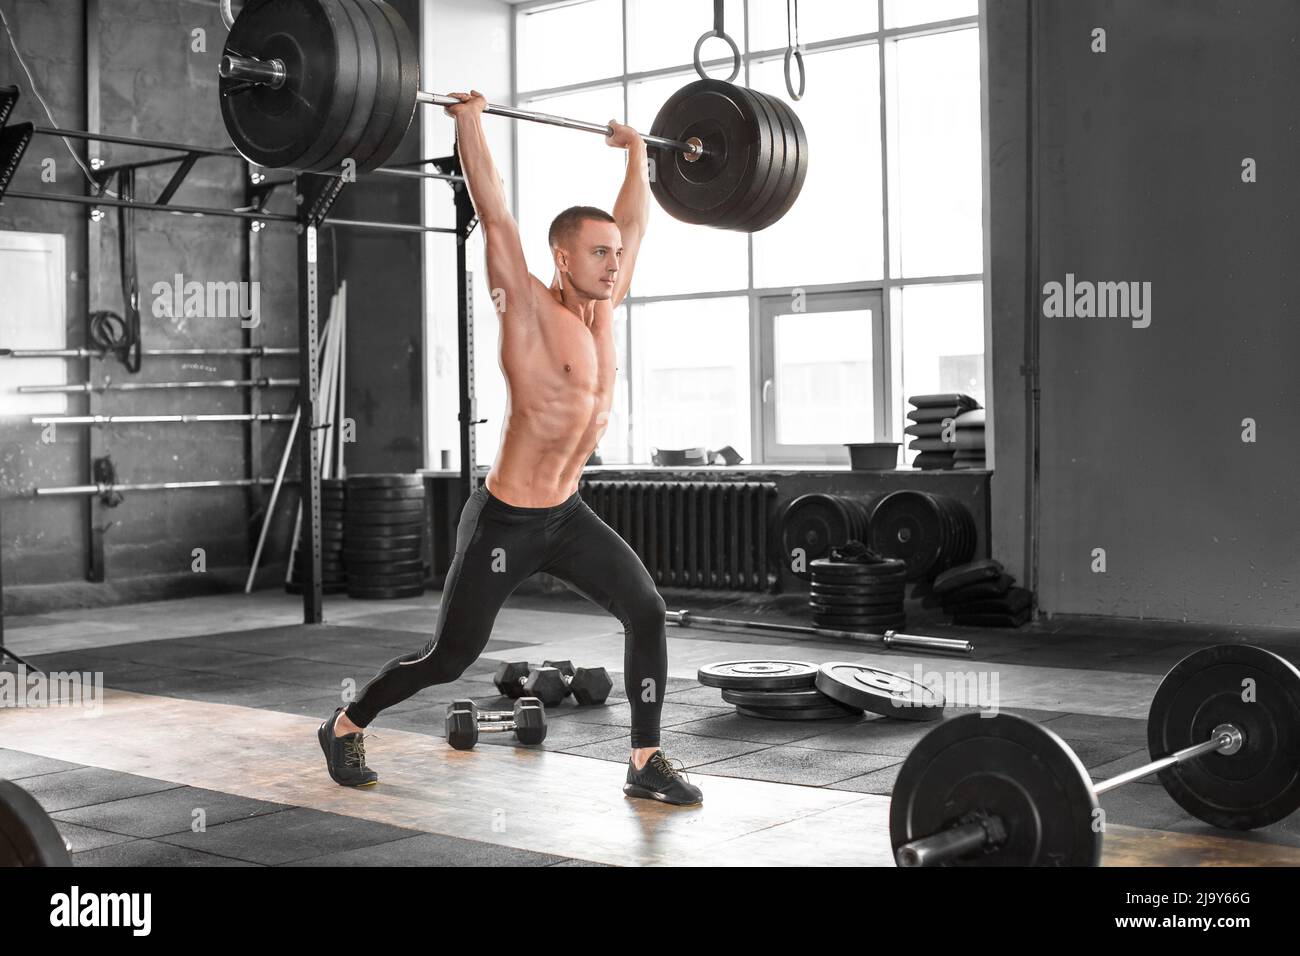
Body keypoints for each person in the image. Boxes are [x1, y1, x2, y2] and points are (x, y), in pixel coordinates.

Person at [319, 91, 702, 807]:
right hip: (504, 521)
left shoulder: (605, 309)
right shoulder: (525, 306)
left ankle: (644, 758)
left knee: (646, 610)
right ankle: (345, 722)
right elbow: (495, 213)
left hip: (566, 514)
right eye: (600, 253)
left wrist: (637, 154)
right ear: (563, 257)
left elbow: (636, 221)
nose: (616, 263)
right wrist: (469, 126)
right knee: (450, 657)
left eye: (617, 254)